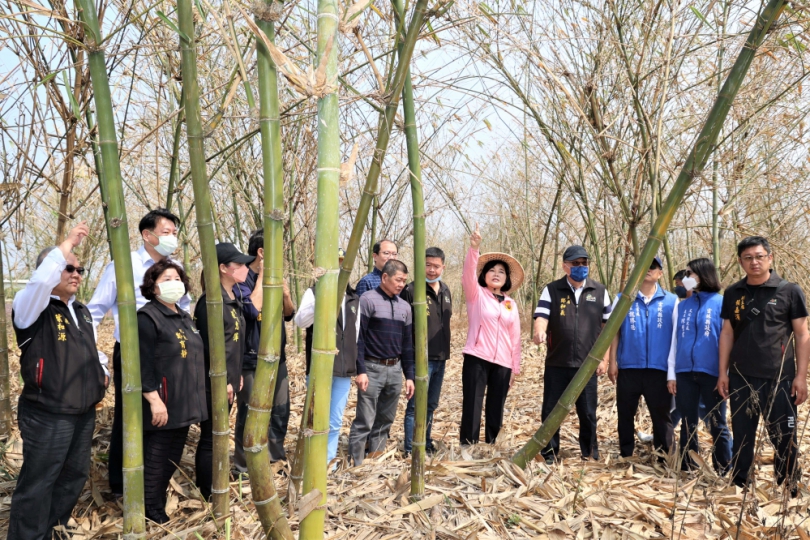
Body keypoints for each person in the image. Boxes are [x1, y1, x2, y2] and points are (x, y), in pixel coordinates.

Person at [9, 223, 107, 539]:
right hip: (48, 413)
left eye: (80, 269)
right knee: (40, 481)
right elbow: (39, 281)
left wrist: (102, 375)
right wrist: (67, 243)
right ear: (52, 271)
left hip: (82, 412)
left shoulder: (82, 311)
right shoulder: (31, 307)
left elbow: (91, 352)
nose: (76, 274)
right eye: (68, 268)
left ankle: (53, 530)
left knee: (73, 475)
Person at [87, 208, 188, 497]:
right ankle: (122, 487)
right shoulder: (123, 264)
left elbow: (186, 307)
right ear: (147, 235)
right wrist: (97, 358)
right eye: (166, 233)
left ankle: (155, 481)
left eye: (174, 233)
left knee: (168, 414)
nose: (172, 238)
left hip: (170, 352)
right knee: (130, 417)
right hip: (133, 351)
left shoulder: (175, 267)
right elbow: (94, 312)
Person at [718, 236, 809, 492]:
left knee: (784, 438)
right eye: (748, 258)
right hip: (741, 376)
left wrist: (800, 377)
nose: (754, 262)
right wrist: (722, 373)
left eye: (759, 256)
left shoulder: (790, 291)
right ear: (740, 262)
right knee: (743, 437)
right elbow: (727, 333)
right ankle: (739, 487)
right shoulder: (733, 292)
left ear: (770, 258)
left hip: (779, 377)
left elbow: (802, 334)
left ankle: (789, 487)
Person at [137, 260, 206, 523]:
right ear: (153, 287)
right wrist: (154, 400)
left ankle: (157, 503)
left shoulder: (184, 316)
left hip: (184, 400)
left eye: (177, 278)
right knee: (157, 456)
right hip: (163, 401)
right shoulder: (147, 317)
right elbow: (142, 364)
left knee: (172, 456)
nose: (174, 283)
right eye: (166, 279)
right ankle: (150, 509)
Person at [534, 245, 612, 463]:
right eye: (575, 263)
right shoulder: (552, 289)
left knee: (587, 412)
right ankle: (549, 453)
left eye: (584, 263)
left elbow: (608, 328)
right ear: (564, 266)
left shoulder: (600, 291)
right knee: (550, 411)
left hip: (588, 364)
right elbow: (541, 316)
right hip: (557, 362)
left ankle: (590, 453)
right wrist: (539, 331)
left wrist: (604, 359)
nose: (580, 267)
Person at [233, 229, 296, 471]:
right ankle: (244, 466)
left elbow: (289, 314)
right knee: (249, 414)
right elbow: (253, 309)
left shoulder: (278, 279)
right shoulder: (243, 280)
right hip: (251, 359)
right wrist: (262, 278)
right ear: (262, 252)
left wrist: (286, 294)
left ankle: (275, 459)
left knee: (281, 410)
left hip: (277, 359)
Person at [193, 243, 250, 499]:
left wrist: (235, 374)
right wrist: (224, 381)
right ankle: (208, 492)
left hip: (228, 381)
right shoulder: (211, 303)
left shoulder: (233, 299)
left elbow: (232, 344)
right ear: (223, 268)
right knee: (210, 438)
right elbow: (209, 349)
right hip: (213, 384)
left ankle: (215, 484)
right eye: (239, 265)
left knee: (218, 435)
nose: (246, 269)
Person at [295, 247, 360, 464]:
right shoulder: (313, 293)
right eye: (334, 262)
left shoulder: (353, 298)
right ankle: (310, 461)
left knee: (334, 420)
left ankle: (327, 462)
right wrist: (324, 294)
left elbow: (356, 334)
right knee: (315, 418)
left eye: (341, 262)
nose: (338, 267)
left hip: (344, 368)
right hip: (320, 367)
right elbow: (301, 321)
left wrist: (357, 367)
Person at [667, 258, 732, 473]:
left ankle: (723, 467)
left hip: (712, 372)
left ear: (703, 276)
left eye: (689, 274)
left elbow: (727, 339)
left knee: (717, 422)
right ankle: (689, 466)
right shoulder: (682, 306)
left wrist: (725, 373)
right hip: (684, 372)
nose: (685, 279)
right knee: (688, 422)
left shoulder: (722, 303)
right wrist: (672, 374)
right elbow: (675, 341)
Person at [460, 224, 522, 446]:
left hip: (503, 363)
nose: (496, 274)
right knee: (473, 405)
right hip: (477, 357)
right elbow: (468, 274)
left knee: (497, 406)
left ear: (506, 279)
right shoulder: (476, 295)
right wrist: (474, 248)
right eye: (492, 271)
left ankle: (493, 447)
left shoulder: (510, 304)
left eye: (501, 272)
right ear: (484, 275)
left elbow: (515, 338)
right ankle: (468, 447)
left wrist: (515, 367)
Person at [608, 256, 675, 458]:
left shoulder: (671, 300)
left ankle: (664, 455)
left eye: (653, 267)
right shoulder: (623, 298)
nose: (648, 269)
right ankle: (626, 453)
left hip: (659, 368)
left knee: (662, 415)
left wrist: (673, 370)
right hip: (629, 367)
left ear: (660, 273)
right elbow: (615, 332)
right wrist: (613, 362)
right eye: (644, 265)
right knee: (626, 413)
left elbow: (675, 338)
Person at [348, 259, 415, 465]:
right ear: (384, 277)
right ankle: (355, 463)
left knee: (386, 418)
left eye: (404, 280)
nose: (401, 284)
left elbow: (407, 344)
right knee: (365, 419)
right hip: (372, 367)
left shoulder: (405, 306)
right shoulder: (367, 300)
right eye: (398, 279)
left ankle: (375, 460)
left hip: (394, 369)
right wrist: (361, 370)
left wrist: (410, 376)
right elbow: (358, 338)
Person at [401, 247, 453, 456]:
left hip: (440, 357)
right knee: (415, 406)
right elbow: (405, 326)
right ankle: (410, 447)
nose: (432, 270)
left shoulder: (447, 290)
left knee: (431, 404)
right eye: (428, 265)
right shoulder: (412, 290)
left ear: (443, 267)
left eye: (436, 266)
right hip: (420, 358)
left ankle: (426, 442)